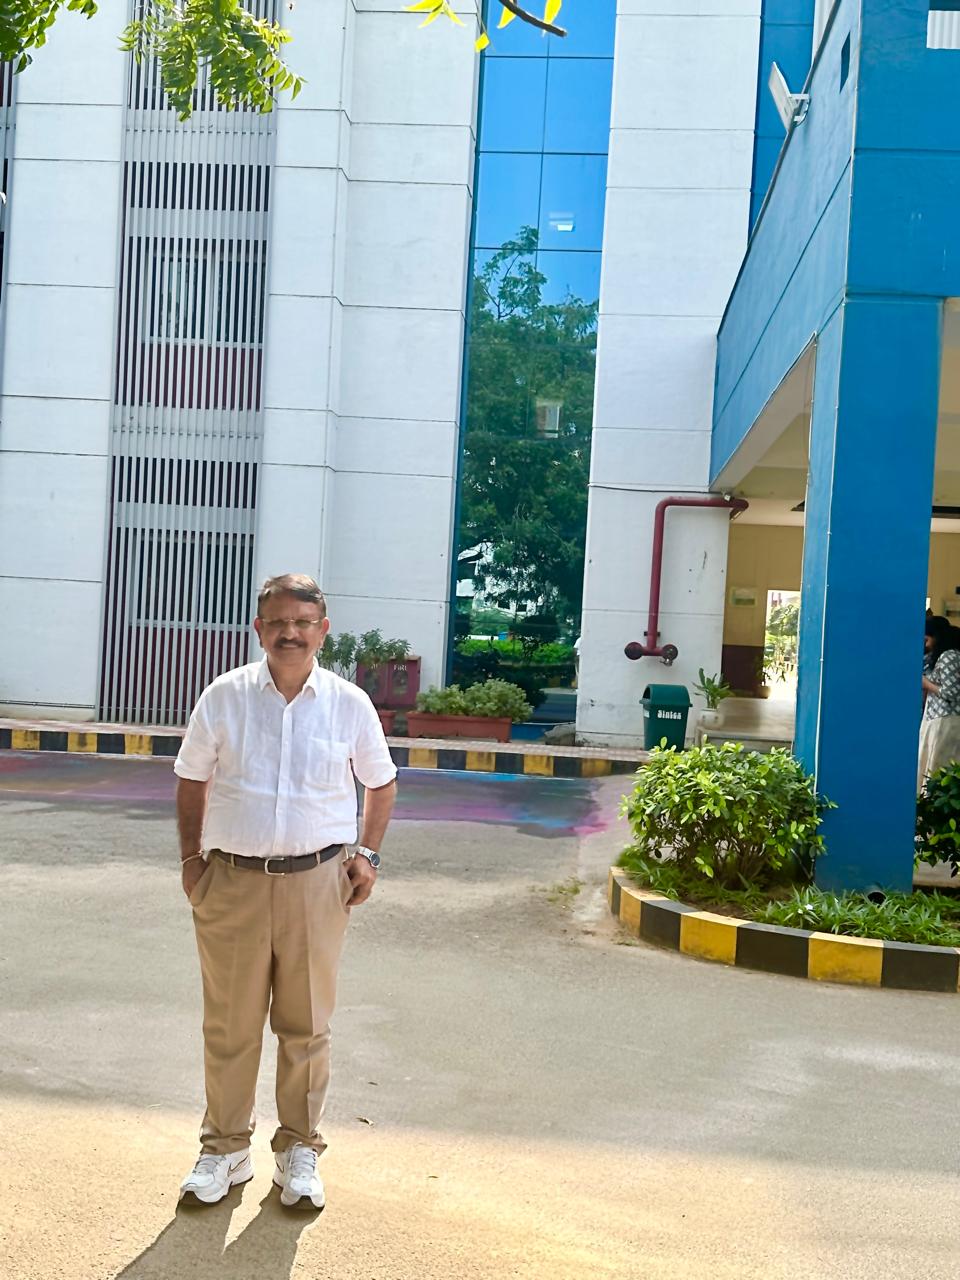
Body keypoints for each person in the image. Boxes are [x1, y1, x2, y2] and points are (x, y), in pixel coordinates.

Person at [174, 573, 398, 1209]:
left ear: (322, 631)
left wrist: (367, 855)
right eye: (277, 622)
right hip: (232, 882)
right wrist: (192, 859)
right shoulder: (224, 697)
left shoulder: (348, 704)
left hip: (317, 884)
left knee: (306, 1025)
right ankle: (224, 1150)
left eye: (303, 622)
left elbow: (381, 783)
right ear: (259, 629)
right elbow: (191, 778)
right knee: (230, 1025)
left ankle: (299, 1150)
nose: (290, 633)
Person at [919, 615, 960, 789]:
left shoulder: (949, 656)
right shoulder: (937, 657)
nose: (926, 645)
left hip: (946, 720)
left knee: (939, 768)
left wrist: (926, 683)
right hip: (936, 719)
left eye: (927, 640)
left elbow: (951, 693)